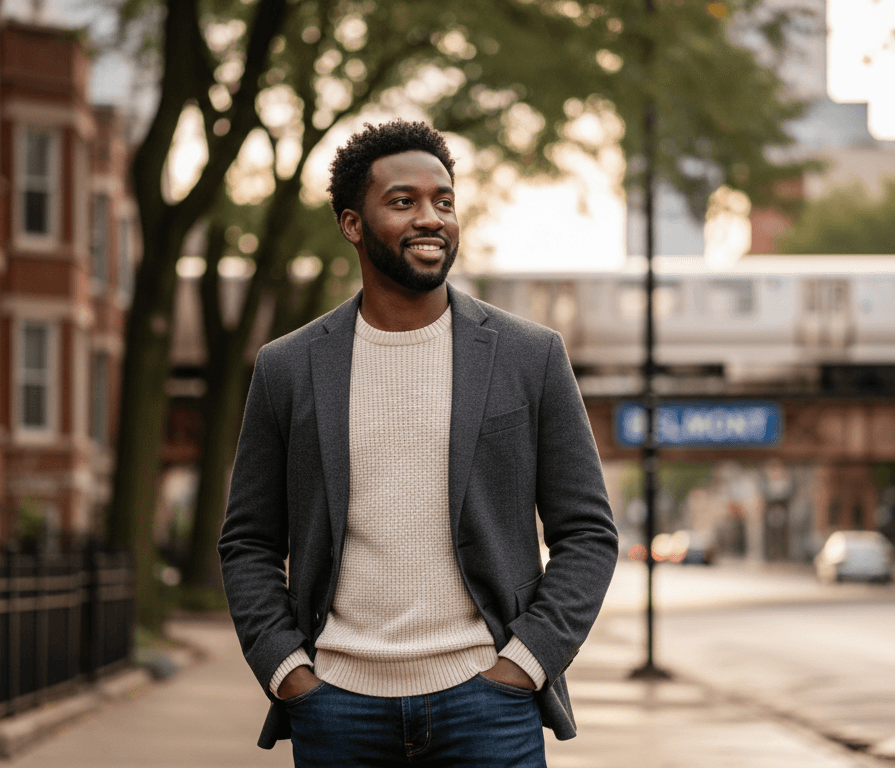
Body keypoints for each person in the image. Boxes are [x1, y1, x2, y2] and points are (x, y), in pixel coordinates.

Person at [218, 119, 619, 767]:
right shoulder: (287, 367)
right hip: (338, 708)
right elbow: (248, 541)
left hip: (489, 705)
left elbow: (588, 532)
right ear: (352, 224)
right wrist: (287, 669)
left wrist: (528, 660)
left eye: (444, 201)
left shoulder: (529, 356)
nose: (431, 217)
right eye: (403, 202)